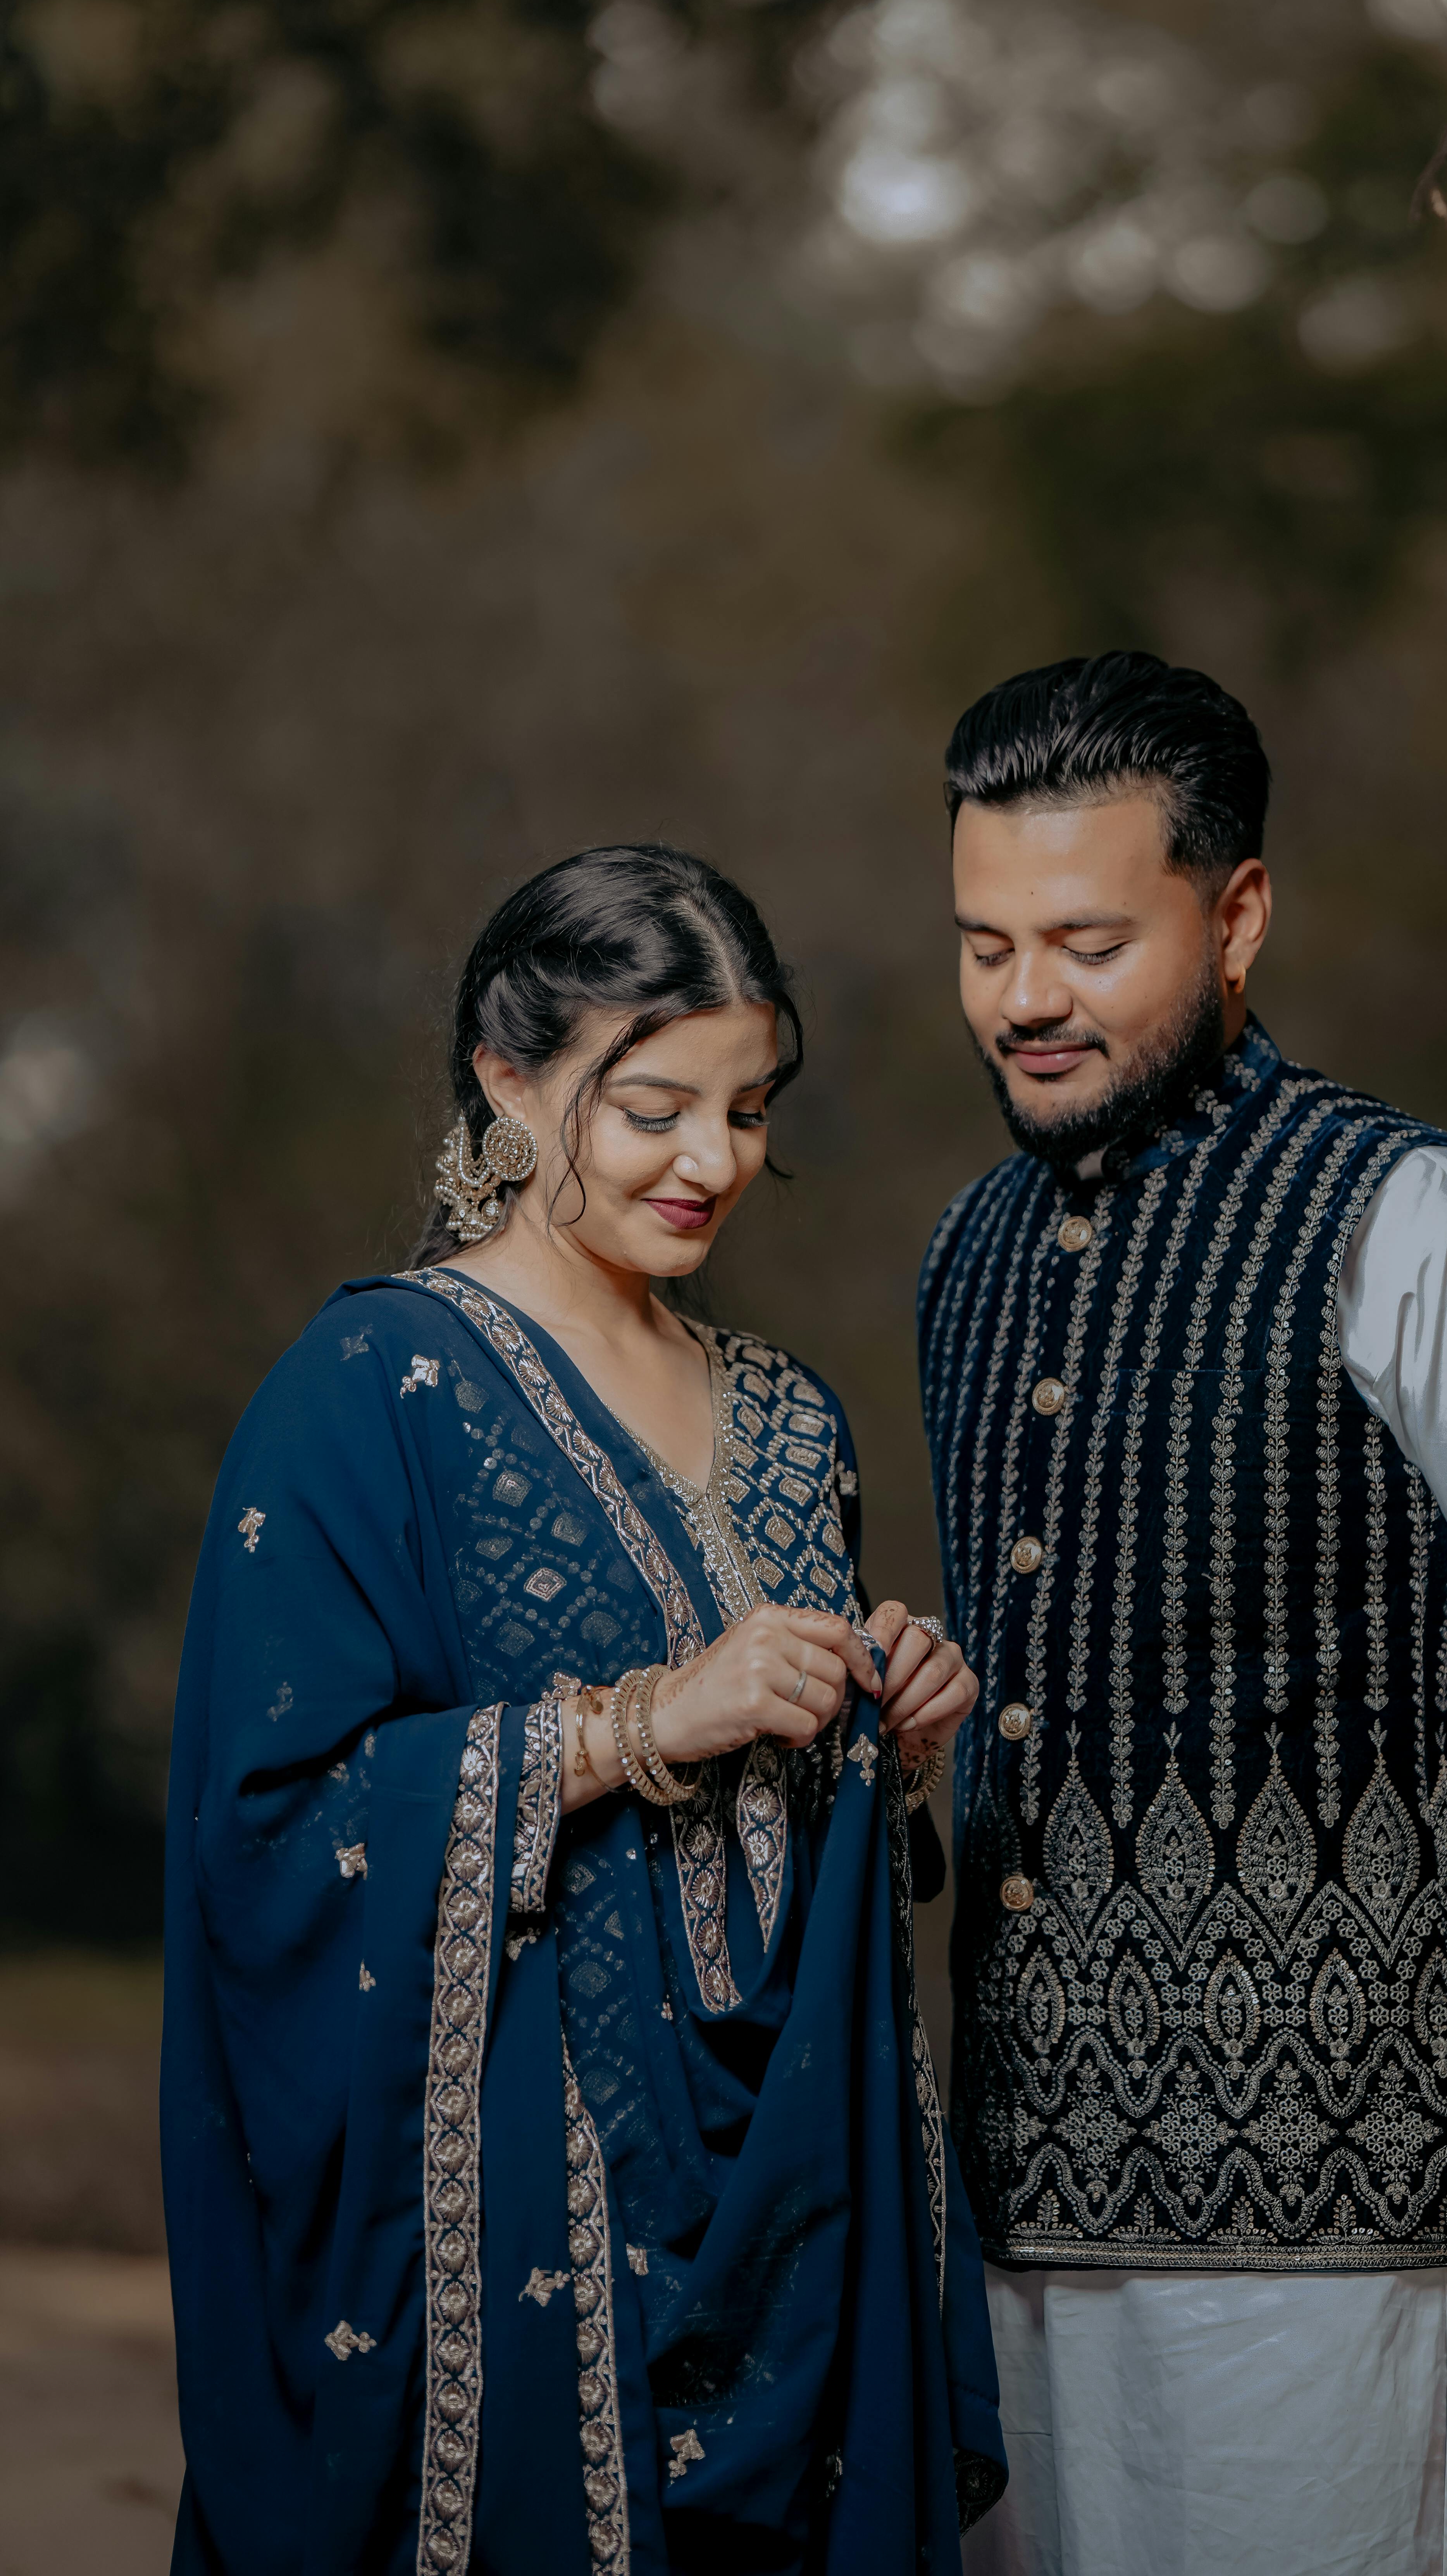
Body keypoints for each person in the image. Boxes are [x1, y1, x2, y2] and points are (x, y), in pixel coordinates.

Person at [916, 654, 1447, 2576]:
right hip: (1017, 2195)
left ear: (1239, 910)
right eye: (984, 944)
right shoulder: (966, 1247)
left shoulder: (1422, 1222)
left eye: (1088, 941)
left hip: (1334, 2217)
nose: (1026, 998)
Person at [162, 844, 1006, 2576]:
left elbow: (799, 1830)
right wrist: (628, 1730)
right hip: (525, 2220)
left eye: (751, 1109)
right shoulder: (372, 1392)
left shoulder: (792, 1419)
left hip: (800, 2199)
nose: (717, 1163)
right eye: (654, 1110)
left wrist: (886, 1738)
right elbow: (266, 1834)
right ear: (509, 1079)